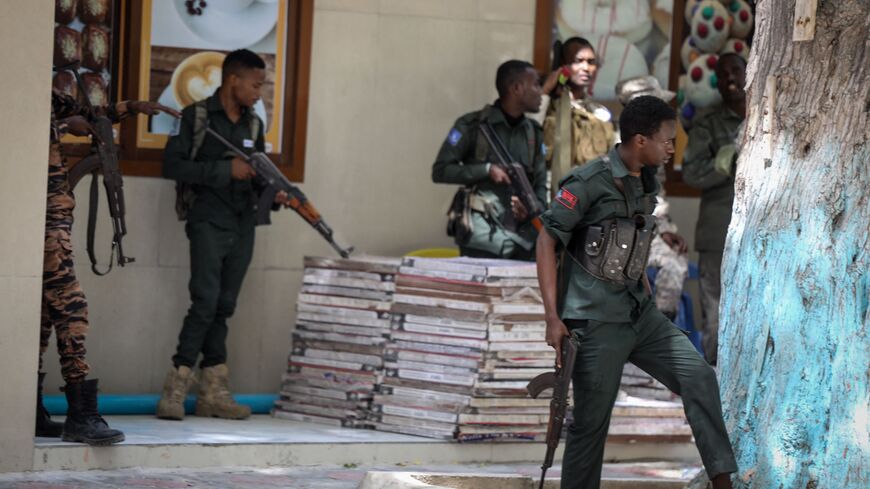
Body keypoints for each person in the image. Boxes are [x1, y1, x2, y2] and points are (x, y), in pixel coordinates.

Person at [536, 96, 737, 489]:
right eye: (667, 140)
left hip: (638, 314)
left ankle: (723, 481)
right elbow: (547, 239)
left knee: (698, 376)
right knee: (591, 425)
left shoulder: (647, 180)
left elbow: (633, 237)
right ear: (640, 140)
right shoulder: (588, 181)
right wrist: (552, 318)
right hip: (594, 320)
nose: (672, 148)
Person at [38, 87, 179, 445]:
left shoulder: (47, 90)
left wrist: (132, 107)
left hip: (54, 219)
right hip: (41, 224)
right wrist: (58, 126)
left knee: (42, 315)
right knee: (72, 309)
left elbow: (91, 111)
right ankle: (81, 415)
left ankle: (32, 409)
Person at [158, 49, 290, 420]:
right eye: (255, 84)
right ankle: (176, 384)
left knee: (224, 306)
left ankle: (213, 391)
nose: (258, 92)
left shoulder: (253, 125)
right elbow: (172, 166)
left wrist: (274, 193)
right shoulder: (195, 116)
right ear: (233, 79)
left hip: (243, 223)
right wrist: (224, 170)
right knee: (205, 301)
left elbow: (259, 173)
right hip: (207, 220)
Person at [432, 60, 546, 260]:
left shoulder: (534, 134)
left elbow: (540, 183)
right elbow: (440, 171)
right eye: (536, 84)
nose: (541, 92)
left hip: (525, 239)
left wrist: (531, 209)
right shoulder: (471, 126)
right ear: (517, 88)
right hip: (484, 238)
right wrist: (486, 170)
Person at [683, 53, 746, 365]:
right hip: (719, 233)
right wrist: (726, 162)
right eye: (723, 75)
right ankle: (714, 396)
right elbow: (691, 173)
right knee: (716, 319)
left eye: (737, 71)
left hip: (765, 232)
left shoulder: (771, 114)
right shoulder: (707, 121)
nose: (731, 79)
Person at [615, 76, 689, 321]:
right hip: (619, 230)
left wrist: (665, 228)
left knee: (674, 262)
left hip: (646, 227)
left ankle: (660, 327)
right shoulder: (625, 145)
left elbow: (655, 194)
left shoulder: (654, 145)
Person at [540, 37, 615, 196]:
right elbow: (530, 128)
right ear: (563, 66)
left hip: (588, 199)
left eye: (591, 62)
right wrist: (546, 90)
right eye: (578, 61)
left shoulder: (599, 114)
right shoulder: (547, 106)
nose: (586, 67)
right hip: (550, 198)